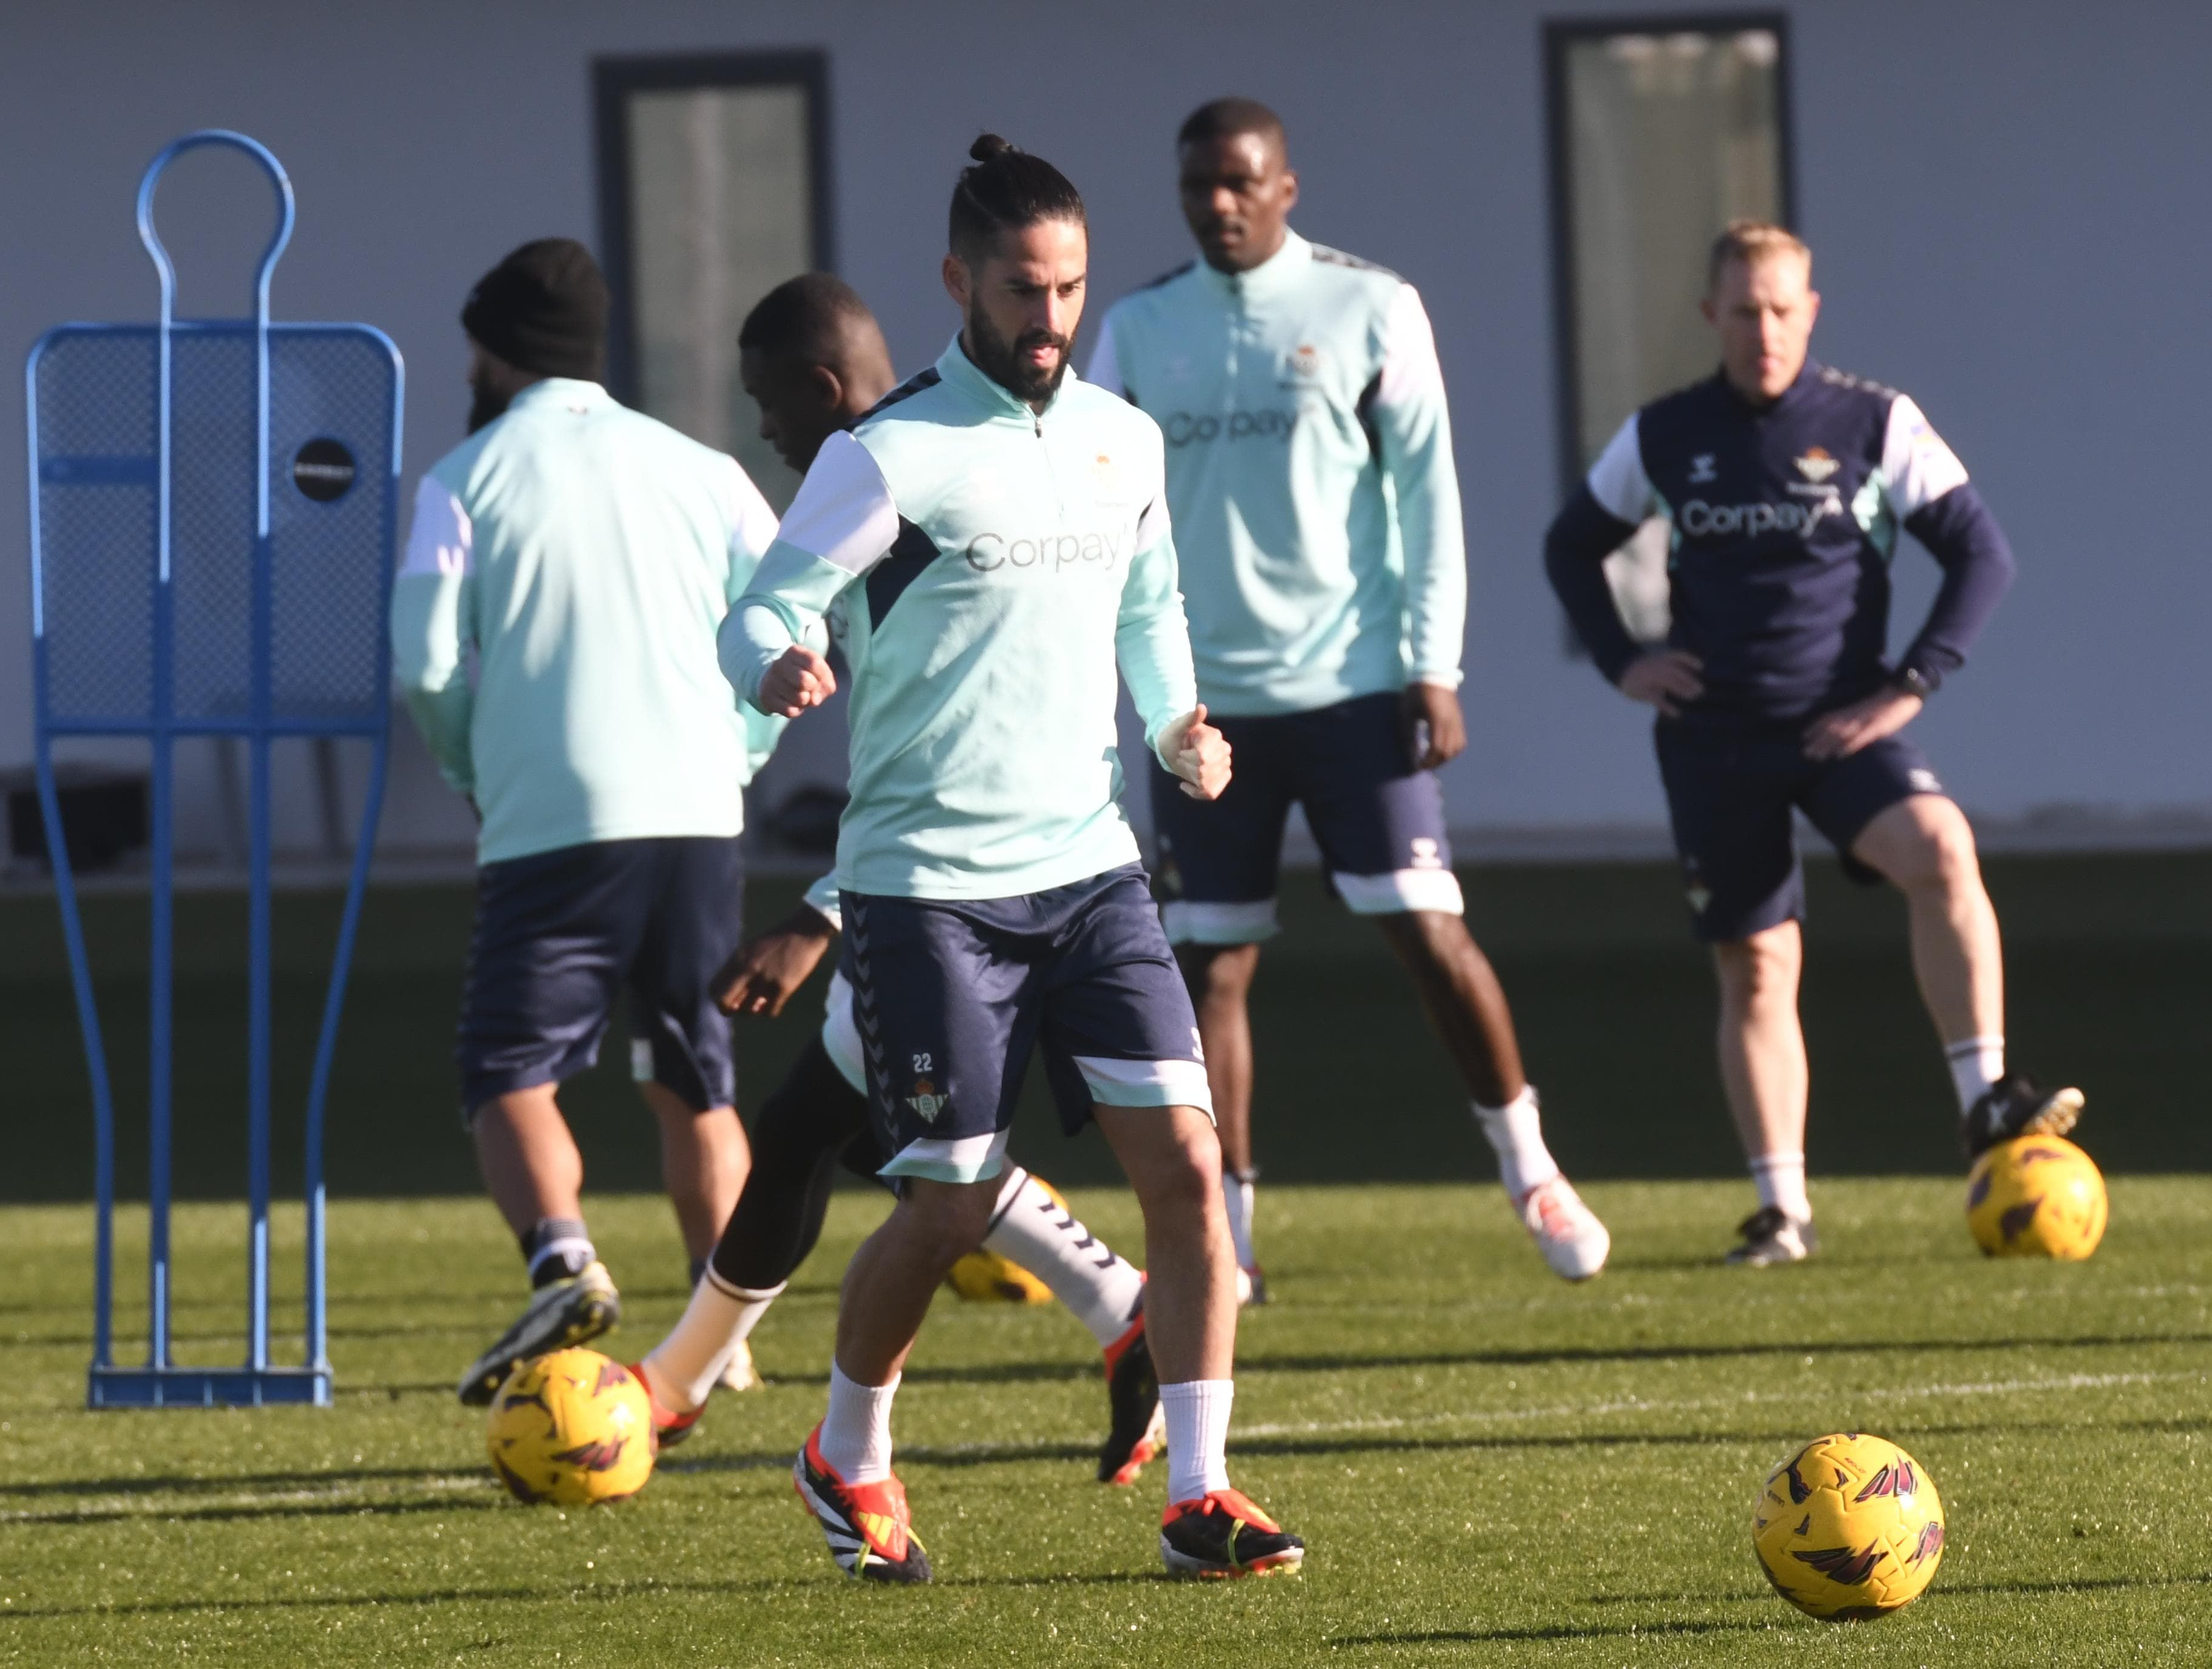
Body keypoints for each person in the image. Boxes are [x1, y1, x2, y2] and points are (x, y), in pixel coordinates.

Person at [717, 136, 1304, 1584]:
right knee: (953, 1200)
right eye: (1023, 290)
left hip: (1091, 871)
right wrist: (782, 662)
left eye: (1069, 288)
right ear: (958, 283)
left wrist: (1177, 721)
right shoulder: (890, 453)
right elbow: (757, 608)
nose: (1049, 318)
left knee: (1184, 1161)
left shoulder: (1121, 436)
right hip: (926, 892)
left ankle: (1201, 1488)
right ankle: (846, 1450)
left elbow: (1151, 606)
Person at [625, 272, 1170, 1491]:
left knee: (903, 1161)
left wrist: (819, 917)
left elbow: (976, 755)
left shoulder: (914, 474)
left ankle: (759, 1415)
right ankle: (1119, 1307)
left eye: (768, 405)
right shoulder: (888, 485)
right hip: (926, 884)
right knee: (834, 1136)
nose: (762, 430)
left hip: (982, 897)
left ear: (822, 391)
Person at [1086, 97, 1609, 1298]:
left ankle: (1529, 1163)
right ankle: (1228, 1233)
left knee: (1427, 930)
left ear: (1285, 187)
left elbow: (1426, 496)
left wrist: (1436, 664)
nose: (1216, 203)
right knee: (1210, 966)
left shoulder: (1373, 309)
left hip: (1356, 687)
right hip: (1205, 709)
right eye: (1195, 186)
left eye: (1238, 182)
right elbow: (1098, 499)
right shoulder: (1136, 327)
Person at [1542, 221, 2084, 1266]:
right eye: (1741, 311)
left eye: (1781, 309)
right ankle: (1780, 1212)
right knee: (1755, 965)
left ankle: (1983, 1100)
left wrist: (1910, 685)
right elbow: (1572, 545)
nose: (1762, 331)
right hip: (1715, 739)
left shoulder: (1874, 421)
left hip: (1841, 723)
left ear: (1811, 312)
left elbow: (1982, 551)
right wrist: (1625, 660)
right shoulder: (1665, 433)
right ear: (1711, 317)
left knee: (1941, 848)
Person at [391, 239, 781, 1402]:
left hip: (551, 819)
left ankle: (563, 1261)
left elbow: (420, 663)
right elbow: (791, 623)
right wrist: (741, 753)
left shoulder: (463, 478)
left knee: (507, 1069)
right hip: (698, 813)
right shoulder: (701, 466)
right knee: (694, 1076)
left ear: (493, 348)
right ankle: (723, 1331)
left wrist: (474, 766)